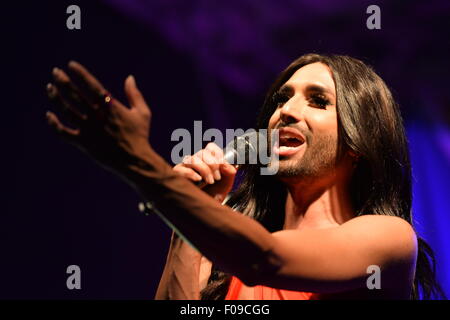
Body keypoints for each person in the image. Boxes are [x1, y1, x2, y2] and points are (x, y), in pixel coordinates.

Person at [45, 53, 445, 300]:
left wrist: (139, 162)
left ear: (359, 143)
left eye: (318, 101)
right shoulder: (227, 263)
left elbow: (265, 258)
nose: (285, 111)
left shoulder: (388, 239)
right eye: (281, 98)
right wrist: (193, 211)